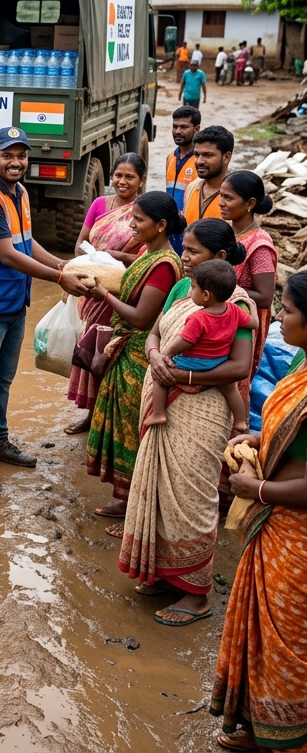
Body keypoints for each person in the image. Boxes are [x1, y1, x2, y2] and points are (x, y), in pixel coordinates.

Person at [129, 219, 254, 624]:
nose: (184, 257)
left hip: (203, 408)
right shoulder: (185, 289)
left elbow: (238, 366)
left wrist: (181, 375)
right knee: (160, 493)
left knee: (191, 497)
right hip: (164, 397)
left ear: (220, 259)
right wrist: (154, 356)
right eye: (185, 249)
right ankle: (165, 573)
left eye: (194, 252)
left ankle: (195, 593)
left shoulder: (238, 306)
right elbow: (153, 332)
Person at [0, 127, 91, 488]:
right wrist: (59, 279)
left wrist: (63, 264)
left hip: (12, 302)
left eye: (21, 156)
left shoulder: (20, 192)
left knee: (3, 380)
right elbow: (7, 254)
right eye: (7, 155)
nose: (15, 162)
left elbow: (27, 243)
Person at [210, 271, 307, 751]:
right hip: (276, 526)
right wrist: (259, 439)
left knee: (289, 641)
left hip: (297, 535)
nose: (279, 318)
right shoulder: (303, 362)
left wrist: (260, 488)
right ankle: (261, 723)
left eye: (287, 311)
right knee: (263, 636)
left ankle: (289, 736)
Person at [85, 192, 184, 529]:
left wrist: (105, 296)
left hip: (139, 354)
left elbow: (142, 318)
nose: (131, 224)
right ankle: (126, 498)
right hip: (127, 350)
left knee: (133, 433)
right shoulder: (148, 252)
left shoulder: (165, 265)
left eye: (139, 220)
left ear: (161, 225)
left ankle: (137, 511)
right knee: (124, 430)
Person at [65, 152, 147, 433]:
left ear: (141, 180)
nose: (122, 181)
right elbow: (79, 245)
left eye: (129, 177)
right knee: (90, 349)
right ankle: (90, 415)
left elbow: (150, 258)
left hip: (122, 293)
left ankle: (111, 419)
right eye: (118, 175)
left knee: (110, 353)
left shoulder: (144, 210)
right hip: (92, 289)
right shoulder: (100, 204)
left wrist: (118, 258)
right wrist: (94, 262)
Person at [146, 260, 251, 428]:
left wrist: (166, 354)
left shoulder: (198, 318)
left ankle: (158, 413)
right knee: (231, 390)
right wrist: (253, 311)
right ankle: (240, 422)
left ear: (207, 295)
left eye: (193, 287)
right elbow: (253, 324)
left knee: (160, 376)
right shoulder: (234, 310)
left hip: (193, 364)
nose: (190, 290)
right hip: (219, 363)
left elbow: (185, 341)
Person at [219, 170, 278, 407]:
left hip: (244, 326)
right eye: (221, 196)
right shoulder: (229, 233)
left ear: (250, 203)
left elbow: (264, 297)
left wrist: (222, 288)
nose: (221, 203)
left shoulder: (259, 244)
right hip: (222, 318)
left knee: (231, 388)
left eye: (228, 198)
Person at [165, 105, 201, 252]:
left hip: (191, 232)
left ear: (196, 129)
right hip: (171, 229)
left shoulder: (200, 162)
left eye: (184, 127)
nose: (177, 131)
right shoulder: (170, 157)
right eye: (175, 127)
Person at [184, 125, 234, 223]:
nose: (199, 161)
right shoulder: (192, 187)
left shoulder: (236, 196)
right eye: (197, 155)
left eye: (208, 155)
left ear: (226, 157)